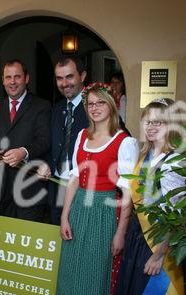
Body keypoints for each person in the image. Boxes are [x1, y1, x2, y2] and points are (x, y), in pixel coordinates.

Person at [53, 82, 139, 295]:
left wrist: (120, 232)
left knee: (94, 276)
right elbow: (73, 179)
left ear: (111, 104)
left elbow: (127, 192)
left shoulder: (124, 142)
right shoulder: (82, 135)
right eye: (90, 103)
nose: (95, 108)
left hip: (104, 212)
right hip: (79, 207)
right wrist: (64, 217)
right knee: (71, 271)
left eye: (100, 102)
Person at [108, 98, 186, 295]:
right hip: (137, 237)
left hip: (158, 244)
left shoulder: (174, 163)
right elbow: (133, 196)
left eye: (158, 122)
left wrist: (159, 255)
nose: (150, 127)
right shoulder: (146, 154)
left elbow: (175, 216)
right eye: (147, 122)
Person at [38, 57, 130, 225]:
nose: (64, 83)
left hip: (85, 191)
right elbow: (51, 145)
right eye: (59, 78)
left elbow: (121, 144)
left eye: (69, 76)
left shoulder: (97, 108)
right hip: (56, 189)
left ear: (82, 75)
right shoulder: (57, 109)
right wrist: (47, 164)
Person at [0, 59, 51, 221]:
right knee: (7, 242)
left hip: (30, 188)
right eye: (8, 77)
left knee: (28, 241)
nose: (12, 82)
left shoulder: (42, 106)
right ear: (3, 80)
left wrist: (23, 152)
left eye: (17, 77)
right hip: (3, 189)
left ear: (26, 78)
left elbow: (44, 140)